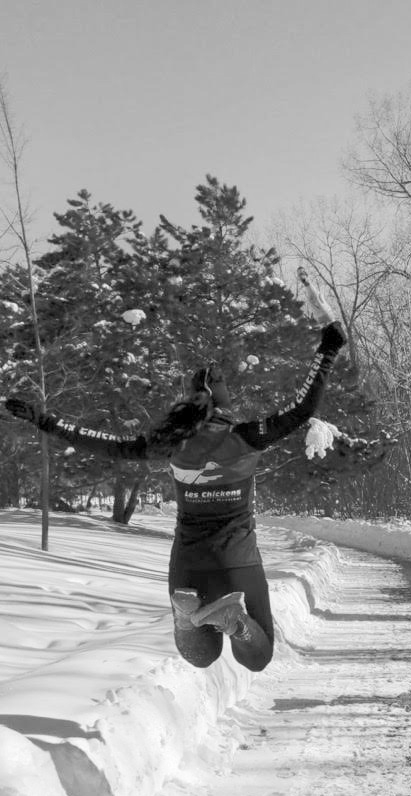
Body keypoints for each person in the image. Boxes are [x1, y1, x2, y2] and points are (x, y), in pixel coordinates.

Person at [5, 269, 347, 673]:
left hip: (188, 563)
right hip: (238, 560)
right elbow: (303, 408)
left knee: (201, 656)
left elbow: (104, 442)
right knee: (258, 655)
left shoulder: (170, 444)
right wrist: (328, 348)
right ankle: (236, 623)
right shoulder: (247, 437)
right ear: (225, 402)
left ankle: (188, 619)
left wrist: (44, 420)